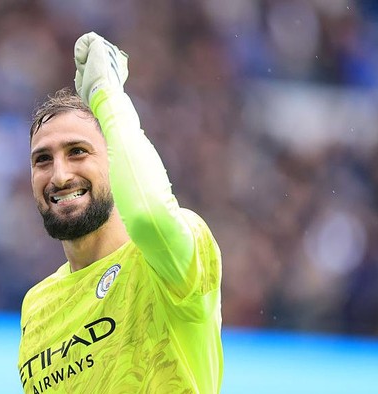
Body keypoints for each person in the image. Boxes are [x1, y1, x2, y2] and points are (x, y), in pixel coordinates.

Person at [18, 32, 223, 394]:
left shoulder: (169, 262)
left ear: (116, 158)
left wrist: (105, 95)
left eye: (78, 151)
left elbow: (149, 215)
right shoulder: (37, 304)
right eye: (43, 159)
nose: (60, 175)